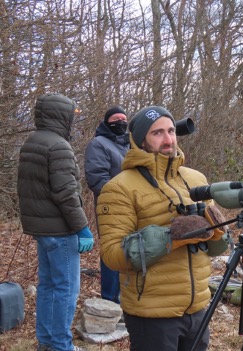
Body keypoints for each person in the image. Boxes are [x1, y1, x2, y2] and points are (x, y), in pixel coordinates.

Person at [96, 106, 229, 351]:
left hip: (198, 306)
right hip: (152, 313)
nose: (168, 139)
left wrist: (218, 233)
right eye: (157, 133)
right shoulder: (119, 188)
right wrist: (172, 237)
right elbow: (112, 255)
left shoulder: (196, 179)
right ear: (140, 141)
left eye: (170, 131)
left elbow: (214, 250)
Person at [17, 93, 94, 351]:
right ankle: (61, 345)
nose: (74, 119)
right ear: (62, 115)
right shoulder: (58, 145)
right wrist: (82, 227)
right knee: (66, 289)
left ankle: (47, 342)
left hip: (43, 230)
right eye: (73, 114)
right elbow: (66, 193)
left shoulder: (33, 141)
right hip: (60, 230)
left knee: (49, 285)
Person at [84, 106, 130, 304]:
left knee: (131, 251)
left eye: (123, 118)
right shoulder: (98, 144)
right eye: (116, 119)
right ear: (107, 122)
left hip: (133, 209)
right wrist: (122, 197)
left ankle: (127, 299)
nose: (120, 122)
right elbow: (96, 179)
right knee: (112, 253)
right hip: (111, 208)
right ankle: (110, 301)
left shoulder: (130, 145)